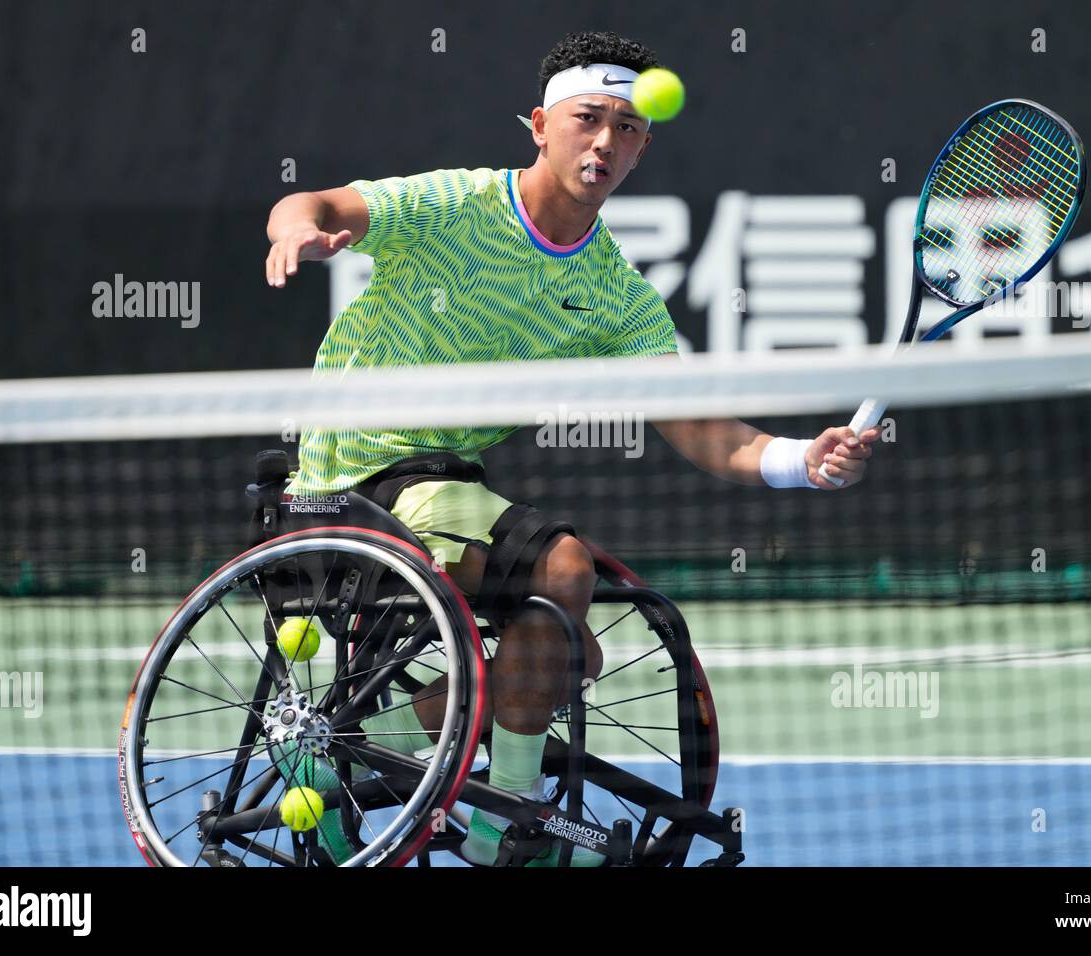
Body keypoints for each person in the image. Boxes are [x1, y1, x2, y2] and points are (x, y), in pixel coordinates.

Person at [264, 30, 879, 866]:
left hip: (446, 484)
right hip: (353, 469)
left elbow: (699, 426)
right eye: (588, 118)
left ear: (644, 147)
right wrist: (298, 232)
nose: (606, 142)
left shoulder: (613, 293)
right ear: (539, 126)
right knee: (562, 570)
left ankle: (339, 746)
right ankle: (503, 827)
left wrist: (798, 460)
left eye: (627, 128)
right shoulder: (457, 206)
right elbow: (322, 206)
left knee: (559, 650)